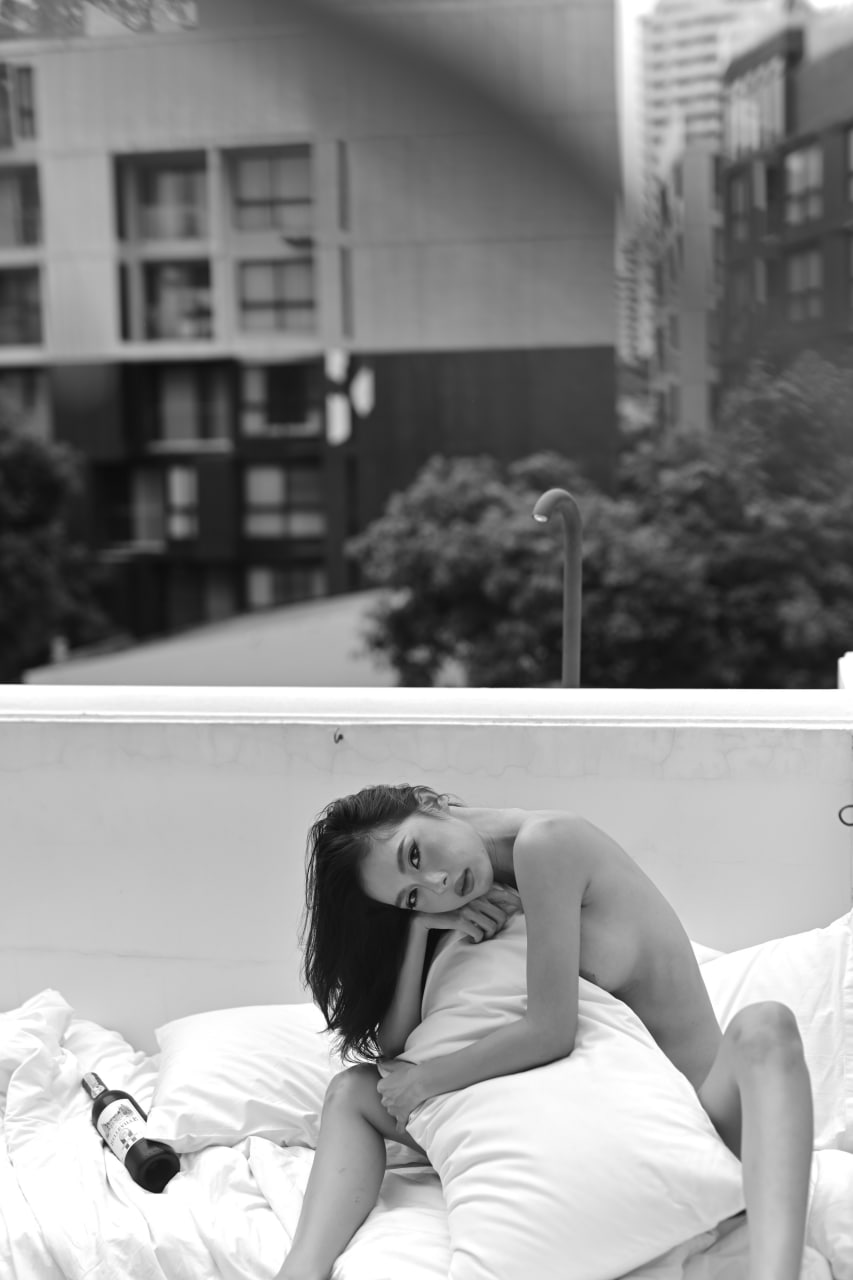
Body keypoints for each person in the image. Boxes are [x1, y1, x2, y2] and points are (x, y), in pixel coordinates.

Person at [279, 783, 814, 1280]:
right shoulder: (470, 891)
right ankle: (299, 1272)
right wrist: (421, 929)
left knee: (765, 1026)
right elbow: (397, 1049)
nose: (436, 883)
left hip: (705, 1115)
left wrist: (425, 1081)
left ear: (430, 804)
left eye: (415, 855)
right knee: (353, 1090)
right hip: (605, 1120)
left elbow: (550, 1030)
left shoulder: (547, 845)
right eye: (412, 896)